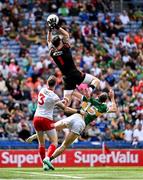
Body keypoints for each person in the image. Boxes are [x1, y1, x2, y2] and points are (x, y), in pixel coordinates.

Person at [28, 88, 117, 170]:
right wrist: (112, 98)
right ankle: (48, 159)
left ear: (98, 96)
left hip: (74, 116)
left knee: (53, 127)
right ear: (105, 101)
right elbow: (114, 109)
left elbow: (73, 93)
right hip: (81, 123)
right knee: (64, 145)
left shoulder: (89, 99)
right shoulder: (103, 107)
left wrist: (72, 92)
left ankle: (37, 135)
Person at [47, 16, 100, 105]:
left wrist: (49, 30)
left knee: (67, 100)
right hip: (74, 73)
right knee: (96, 81)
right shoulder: (66, 48)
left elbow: (48, 41)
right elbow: (66, 34)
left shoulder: (52, 54)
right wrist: (56, 27)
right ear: (60, 42)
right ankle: (89, 90)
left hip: (66, 78)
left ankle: (60, 104)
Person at [31, 75, 79, 171]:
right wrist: (77, 111)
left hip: (36, 118)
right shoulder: (54, 96)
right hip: (46, 119)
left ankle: (43, 165)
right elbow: (65, 109)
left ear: (47, 83)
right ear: (56, 84)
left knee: (41, 143)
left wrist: (61, 101)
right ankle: (47, 158)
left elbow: (50, 102)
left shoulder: (42, 90)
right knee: (54, 142)